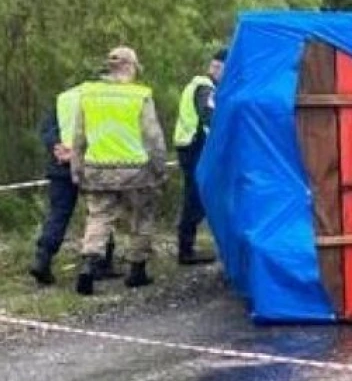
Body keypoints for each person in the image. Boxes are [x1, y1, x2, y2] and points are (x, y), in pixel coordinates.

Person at [71, 46, 168, 296]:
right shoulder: (139, 96)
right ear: (128, 67)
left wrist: (77, 167)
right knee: (141, 218)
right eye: (135, 68)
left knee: (98, 217)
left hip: (97, 169)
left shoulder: (89, 94)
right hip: (135, 171)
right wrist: (160, 168)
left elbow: (79, 136)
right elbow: (153, 136)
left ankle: (89, 265)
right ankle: (137, 270)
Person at [27, 78, 116, 286]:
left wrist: (59, 148)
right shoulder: (100, 99)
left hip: (61, 166)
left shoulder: (63, 99)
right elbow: (104, 132)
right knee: (100, 213)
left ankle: (42, 259)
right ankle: (99, 263)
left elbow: (47, 130)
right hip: (92, 163)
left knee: (58, 213)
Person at [173, 48, 224, 265]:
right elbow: (209, 116)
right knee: (195, 197)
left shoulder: (198, 85)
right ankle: (186, 250)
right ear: (217, 67)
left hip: (188, 146)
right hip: (195, 147)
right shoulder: (205, 88)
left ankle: (187, 246)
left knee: (195, 196)